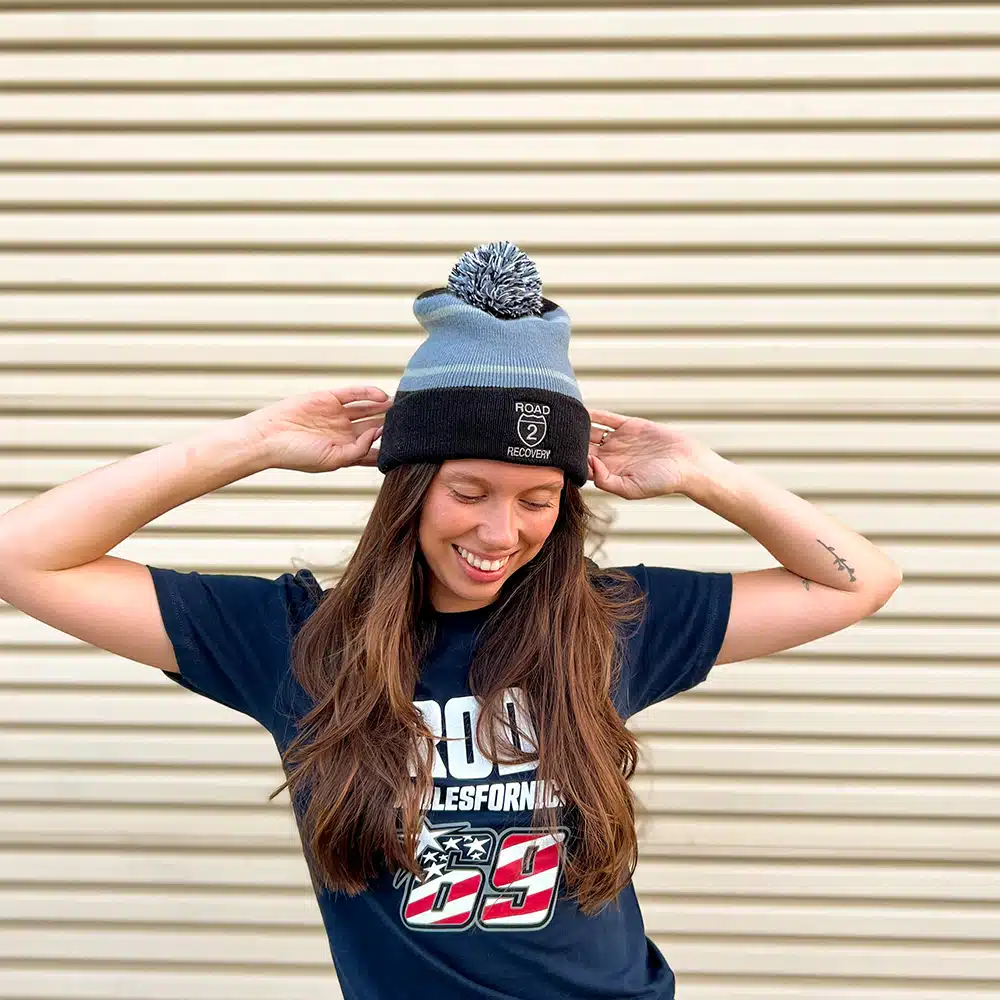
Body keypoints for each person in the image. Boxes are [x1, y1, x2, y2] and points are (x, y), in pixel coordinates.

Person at [0, 241, 903, 1000]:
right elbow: (23, 556)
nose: (499, 532)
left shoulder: (614, 621)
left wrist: (707, 473)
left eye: (537, 499)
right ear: (409, 491)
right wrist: (250, 443)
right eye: (468, 491)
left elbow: (856, 583)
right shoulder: (295, 640)